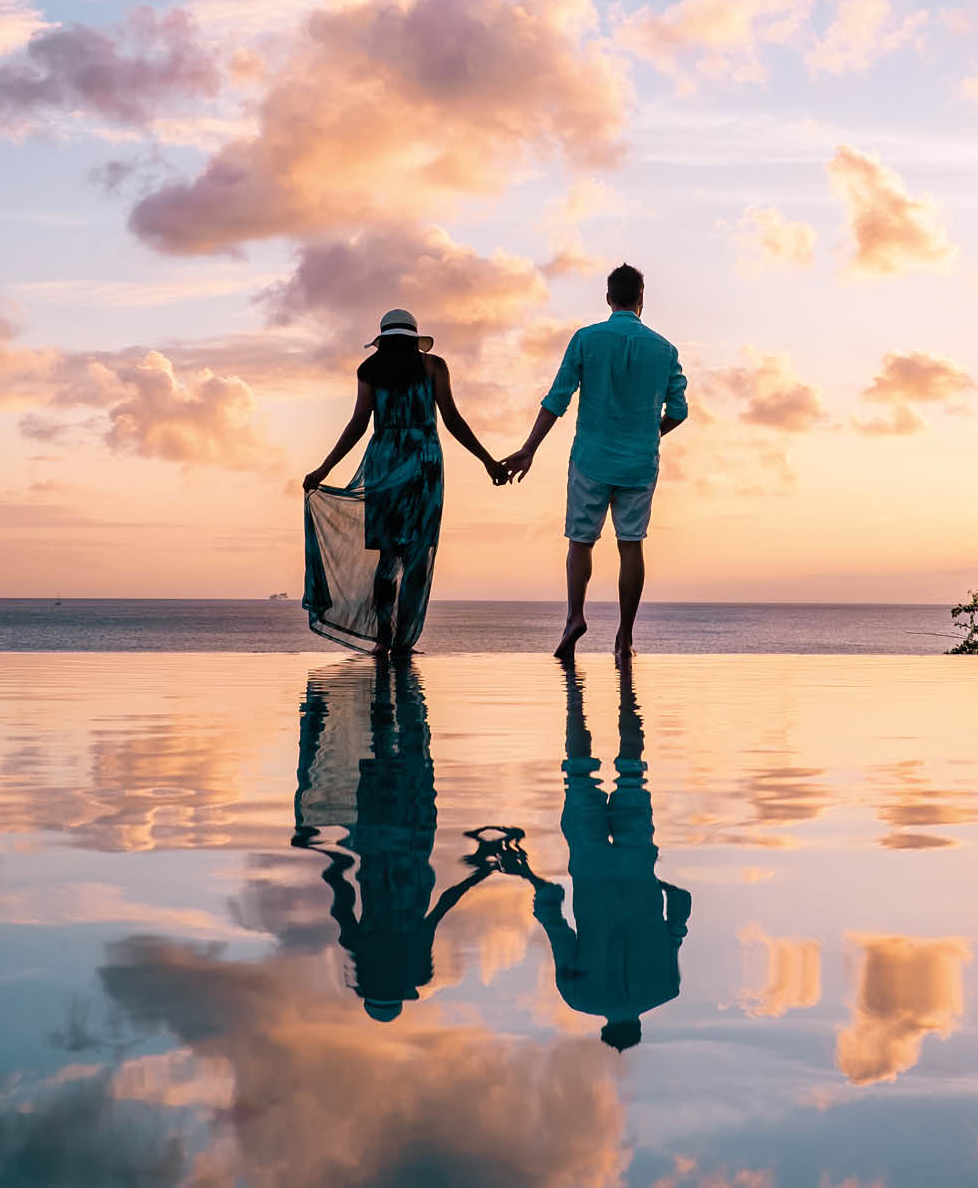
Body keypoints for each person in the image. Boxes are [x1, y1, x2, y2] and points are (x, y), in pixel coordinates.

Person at [485, 658, 691, 1051]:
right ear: (605, 1029)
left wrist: (651, 880)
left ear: (639, 1028)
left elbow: (680, 904)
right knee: (579, 774)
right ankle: (574, 696)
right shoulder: (580, 999)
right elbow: (553, 918)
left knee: (632, 771)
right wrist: (527, 874)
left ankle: (626, 688)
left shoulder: (667, 988)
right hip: (590, 864)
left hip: (636, 860)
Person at [290, 658, 499, 1019]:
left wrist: (481, 868)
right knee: (382, 753)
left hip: (414, 836)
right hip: (372, 836)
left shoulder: (408, 944)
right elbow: (339, 880)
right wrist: (318, 843)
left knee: (412, 749)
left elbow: (445, 903)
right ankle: (387, 680)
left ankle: (391, 680)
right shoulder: (361, 942)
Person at [502, 264, 688, 659]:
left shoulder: (586, 339)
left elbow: (557, 398)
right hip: (639, 464)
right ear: (641, 299)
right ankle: (624, 637)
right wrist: (649, 433)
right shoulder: (665, 349)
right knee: (631, 545)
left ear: (608, 299)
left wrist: (529, 448)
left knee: (580, 542)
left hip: (590, 459)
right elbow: (680, 410)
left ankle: (574, 617)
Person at [302, 309, 506, 654]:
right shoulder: (433, 367)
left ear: (382, 339)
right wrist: (487, 460)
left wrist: (324, 469)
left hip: (384, 461)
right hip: (425, 462)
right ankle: (403, 641)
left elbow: (357, 425)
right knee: (417, 557)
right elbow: (453, 420)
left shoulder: (370, 371)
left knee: (387, 556)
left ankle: (384, 638)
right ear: (414, 338)